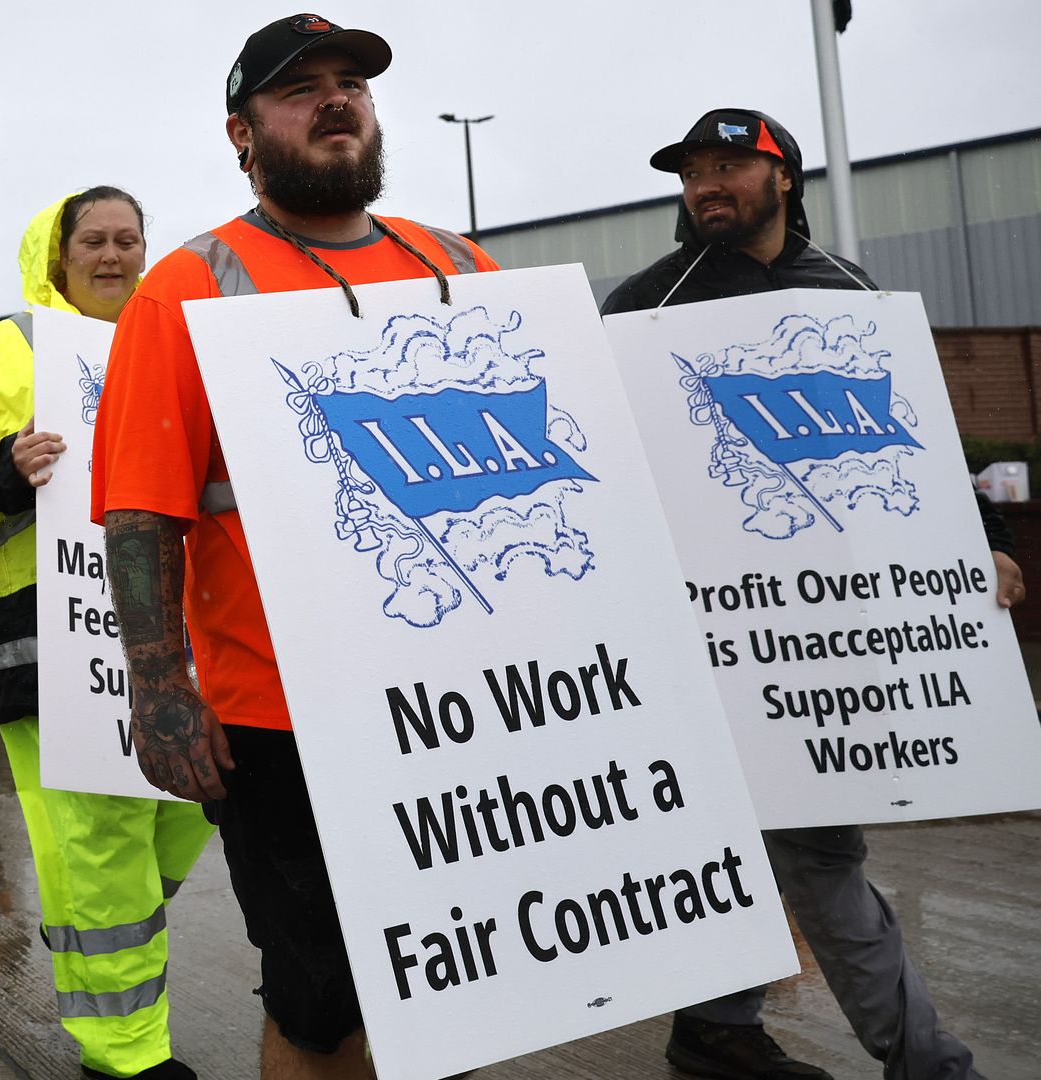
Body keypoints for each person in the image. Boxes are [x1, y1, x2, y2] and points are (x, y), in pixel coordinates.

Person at [91, 15, 499, 1079]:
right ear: (243, 133)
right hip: (278, 715)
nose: (335, 100)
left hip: (472, 698)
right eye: (299, 88)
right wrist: (160, 686)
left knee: (458, 966)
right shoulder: (184, 289)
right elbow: (140, 510)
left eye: (351, 83)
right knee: (322, 997)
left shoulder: (460, 264)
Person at [603, 108, 1020, 1080]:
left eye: (730, 165)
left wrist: (985, 541)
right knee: (764, 844)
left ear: (783, 178)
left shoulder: (848, 292)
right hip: (702, 634)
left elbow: (916, 439)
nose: (707, 184)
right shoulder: (643, 306)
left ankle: (729, 1033)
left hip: (817, 637)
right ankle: (908, 1059)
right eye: (693, 171)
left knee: (809, 848)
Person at [0, 188, 213, 1080]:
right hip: (51, 641)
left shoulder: (173, 335)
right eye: (94, 241)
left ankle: (88, 932)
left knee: (187, 809)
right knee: (101, 834)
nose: (112, 255)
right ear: (60, 256)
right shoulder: (16, 344)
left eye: (128, 240)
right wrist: (4, 466)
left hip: (171, 637)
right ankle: (124, 1053)